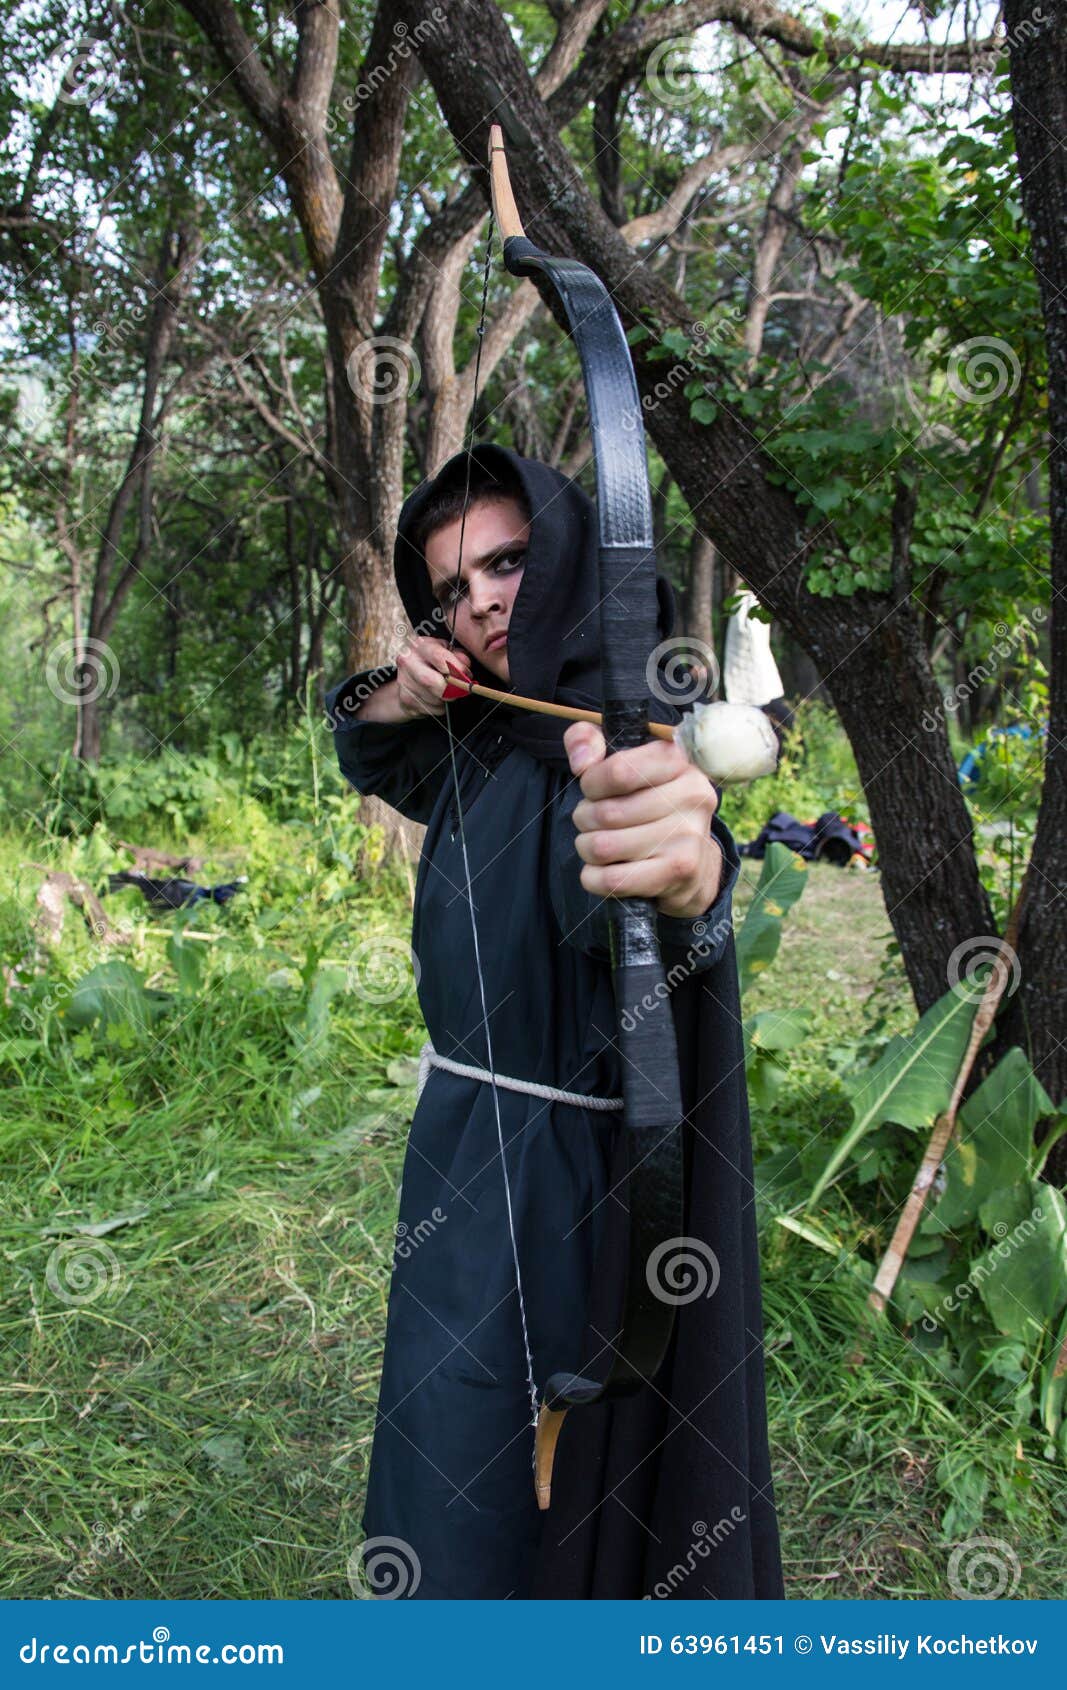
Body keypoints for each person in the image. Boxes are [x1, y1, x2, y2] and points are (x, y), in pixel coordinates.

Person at [326, 443, 784, 1601]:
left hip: (568, 1177)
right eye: (447, 587)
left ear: (578, 553)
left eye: (506, 561)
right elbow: (369, 747)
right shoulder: (479, 731)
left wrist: (687, 874)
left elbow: (666, 859)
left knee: (534, 1470)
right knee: (442, 1435)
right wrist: (401, 682)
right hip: (461, 1143)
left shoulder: (616, 733)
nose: (476, 598)